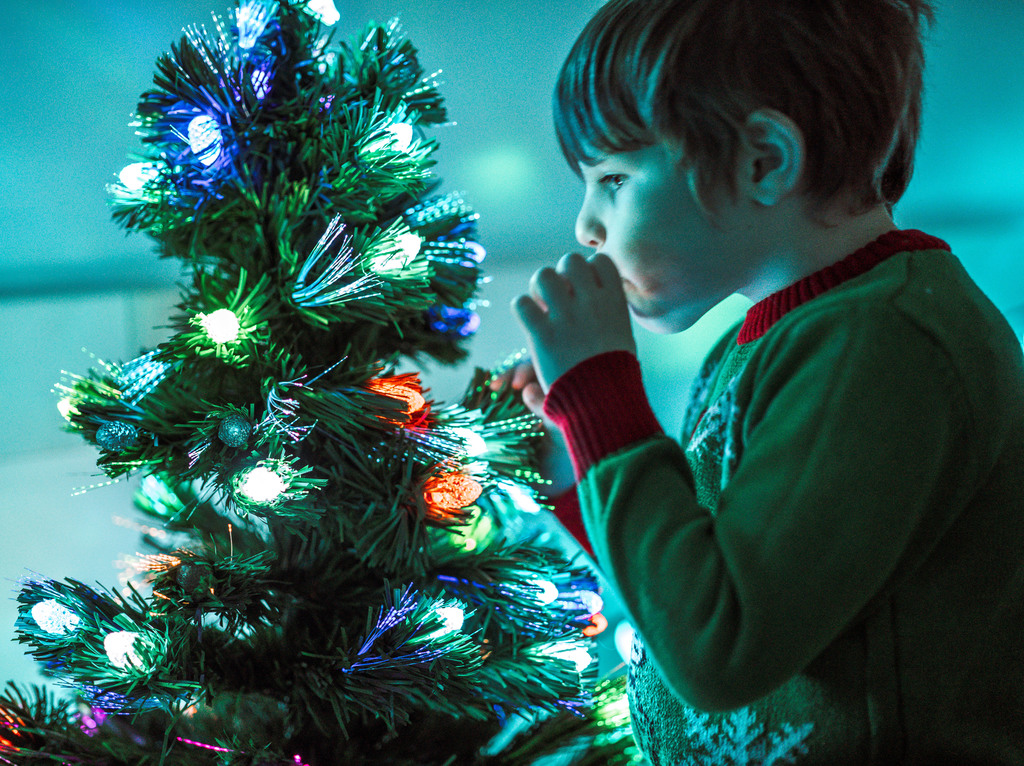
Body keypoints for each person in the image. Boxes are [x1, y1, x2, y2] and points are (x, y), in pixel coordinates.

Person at [503, 0, 1024, 763]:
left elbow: (722, 646)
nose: (587, 224)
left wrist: (604, 401)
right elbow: (694, 581)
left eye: (613, 176)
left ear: (764, 161)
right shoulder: (759, 344)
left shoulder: (884, 341)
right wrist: (583, 440)